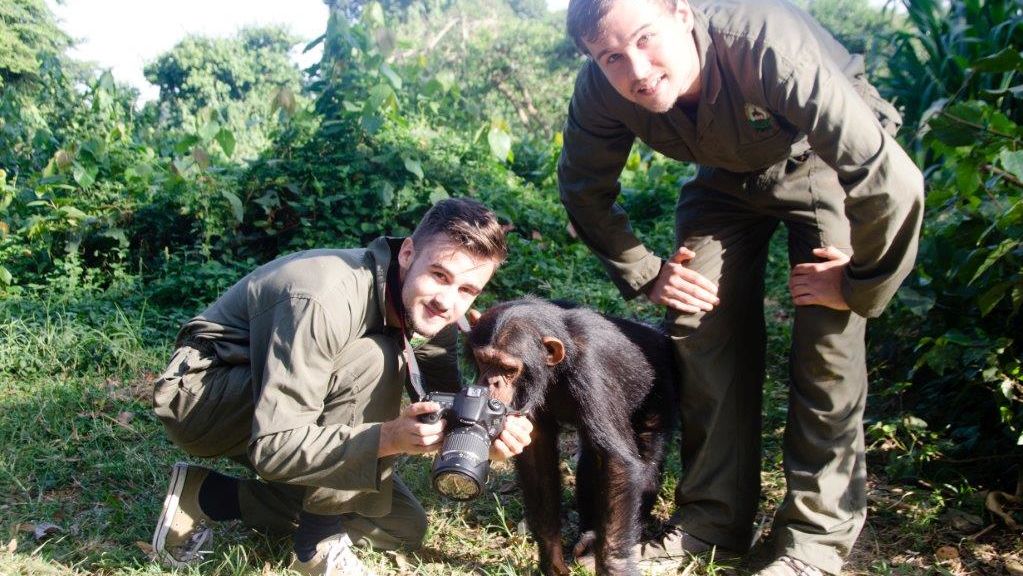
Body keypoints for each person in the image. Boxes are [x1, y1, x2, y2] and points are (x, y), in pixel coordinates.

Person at [557, 0, 924, 574]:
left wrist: (857, 284)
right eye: (611, 57)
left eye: (647, 38)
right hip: (724, 179)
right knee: (696, 323)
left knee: (828, 342)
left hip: (819, 161)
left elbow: (891, 181)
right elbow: (582, 188)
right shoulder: (604, 85)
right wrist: (647, 272)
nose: (637, 68)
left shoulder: (766, 48)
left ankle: (812, 541)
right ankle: (712, 522)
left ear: (681, 13)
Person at [149, 197, 534, 576]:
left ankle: (204, 495)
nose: (448, 302)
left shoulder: (431, 311)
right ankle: (317, 546)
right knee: (376, 358)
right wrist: (389, 437)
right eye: (439, 275)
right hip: (204, 398)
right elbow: (274, 447)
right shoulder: (323, 299)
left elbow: (447, 405)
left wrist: (484, 435)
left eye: (467, 290)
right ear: (407, 254)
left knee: (400, 524)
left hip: (282, 395)